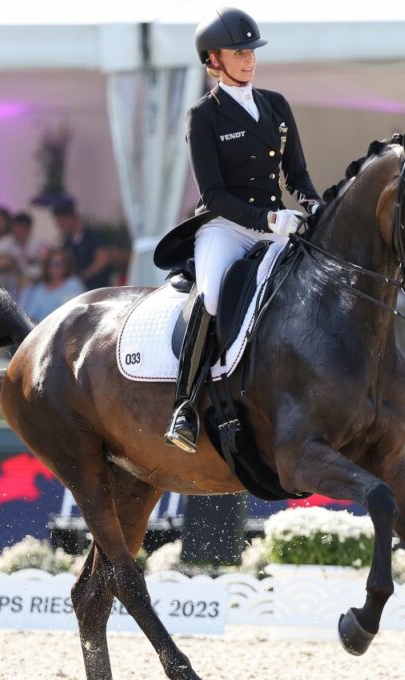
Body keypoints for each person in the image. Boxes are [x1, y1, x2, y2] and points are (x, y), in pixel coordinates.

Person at [161, 7, 323, 453]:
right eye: (238, 52)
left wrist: (313, 205)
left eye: (251, 50)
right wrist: (269, 221)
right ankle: (186, 406)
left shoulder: (276, 105)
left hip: (277, 225)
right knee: (211, 295)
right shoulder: (203, 116)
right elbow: (213, 194)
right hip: (225, 228)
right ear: (213, 59)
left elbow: (297, 175)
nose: (249, 59)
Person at [51, 198, 113, 291]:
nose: (60, 227)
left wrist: (83, 276)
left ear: (71, 218)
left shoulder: (93, 236)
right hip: (77, 290)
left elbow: (103, 259)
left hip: (98, 290)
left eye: (61, 222)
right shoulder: (67, 244)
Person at [19, 249, 86, 322]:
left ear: (66, 266)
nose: (56, 267)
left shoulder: (74, 284)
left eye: (60, 263)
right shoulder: (39, 289)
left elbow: (79, 313)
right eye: (52, 263)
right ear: (47, 267)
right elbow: (31, 316)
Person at [0, 212, 48, 285]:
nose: (19, 230)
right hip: (8, 280)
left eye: (23, 227)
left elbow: (46, 261)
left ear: (29, 228)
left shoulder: (40, 243)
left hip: (34, 280)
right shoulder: (3, 243)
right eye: (17, 227)